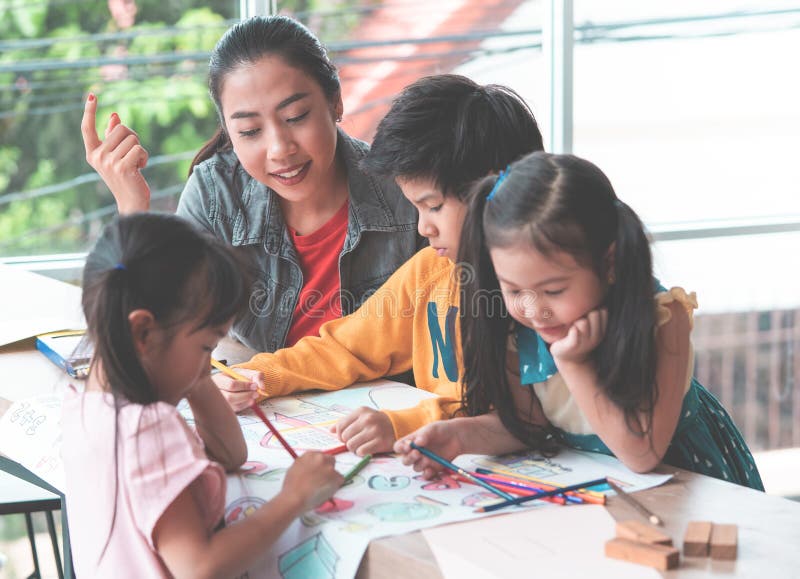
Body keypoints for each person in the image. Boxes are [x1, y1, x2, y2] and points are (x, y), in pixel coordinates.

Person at [395, 152, 764, 490]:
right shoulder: (519, 326)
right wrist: (458, 437)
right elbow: (529, 424)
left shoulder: (664, 318)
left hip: (684, 483)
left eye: (553, 291)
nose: (533, 309)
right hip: (593, 487)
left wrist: (573, 363)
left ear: (609, 263)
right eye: (512, 289)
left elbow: (641, 454)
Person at [221, 74, 545, 457]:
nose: (424, 227)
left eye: (434, 206)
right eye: (417, 207)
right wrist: (262, 376)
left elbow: (522, 416)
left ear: (498, 191)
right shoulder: (430, 271)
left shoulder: (541, 290)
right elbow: (345, 347)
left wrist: (403, 425)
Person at [80, 15, 422, 357]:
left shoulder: (408, 192)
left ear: (336, 102)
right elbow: (152, 335)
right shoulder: (216, 195)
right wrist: (131, 210)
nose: (279, 149)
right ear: (230, 132)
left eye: (296, 117)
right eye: (249, 132)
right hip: (262, 405)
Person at [61, 213, 343, 577]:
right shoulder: (145, 427)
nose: (208, 364)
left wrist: (197, 379)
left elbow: (230, 455)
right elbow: (199, 568)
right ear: (144, 333)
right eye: (206, 346)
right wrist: (293, 499)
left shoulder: (87, 407)